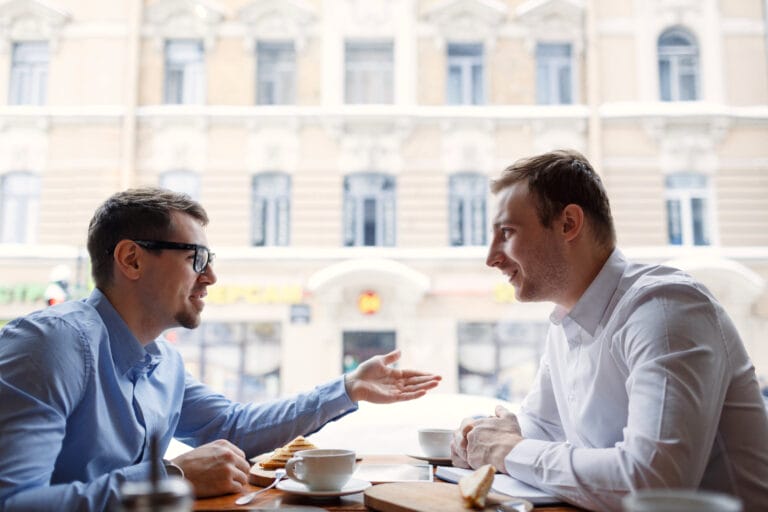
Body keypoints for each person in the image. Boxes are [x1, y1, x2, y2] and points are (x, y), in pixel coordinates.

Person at [0, 187, 441, 511]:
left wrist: (348, 388)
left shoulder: (162, 360)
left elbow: (233, 426)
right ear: (131, 259)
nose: (210, 277)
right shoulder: (49, 346)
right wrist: (169, 477)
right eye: (196, 257)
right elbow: (14, 502)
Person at [451, 150, 768, 511]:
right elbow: (542, 429)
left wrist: (509, 450)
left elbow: (653, 483)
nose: (491, 257)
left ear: (568, 223)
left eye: (506, 233)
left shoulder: (664, 309)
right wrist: (485, 438)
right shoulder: (565, 322)